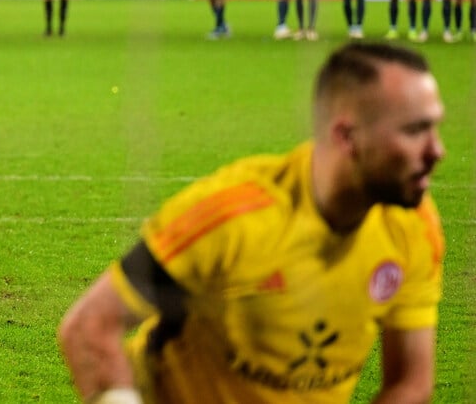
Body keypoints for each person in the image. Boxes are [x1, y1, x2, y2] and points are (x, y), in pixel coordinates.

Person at [59, 41, 445, 404]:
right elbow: (90, 326)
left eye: (434, 127)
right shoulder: (231, 216)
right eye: (414, 131)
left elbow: (411, 381)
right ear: (346, 136)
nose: (437, 151)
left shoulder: (413, 225)